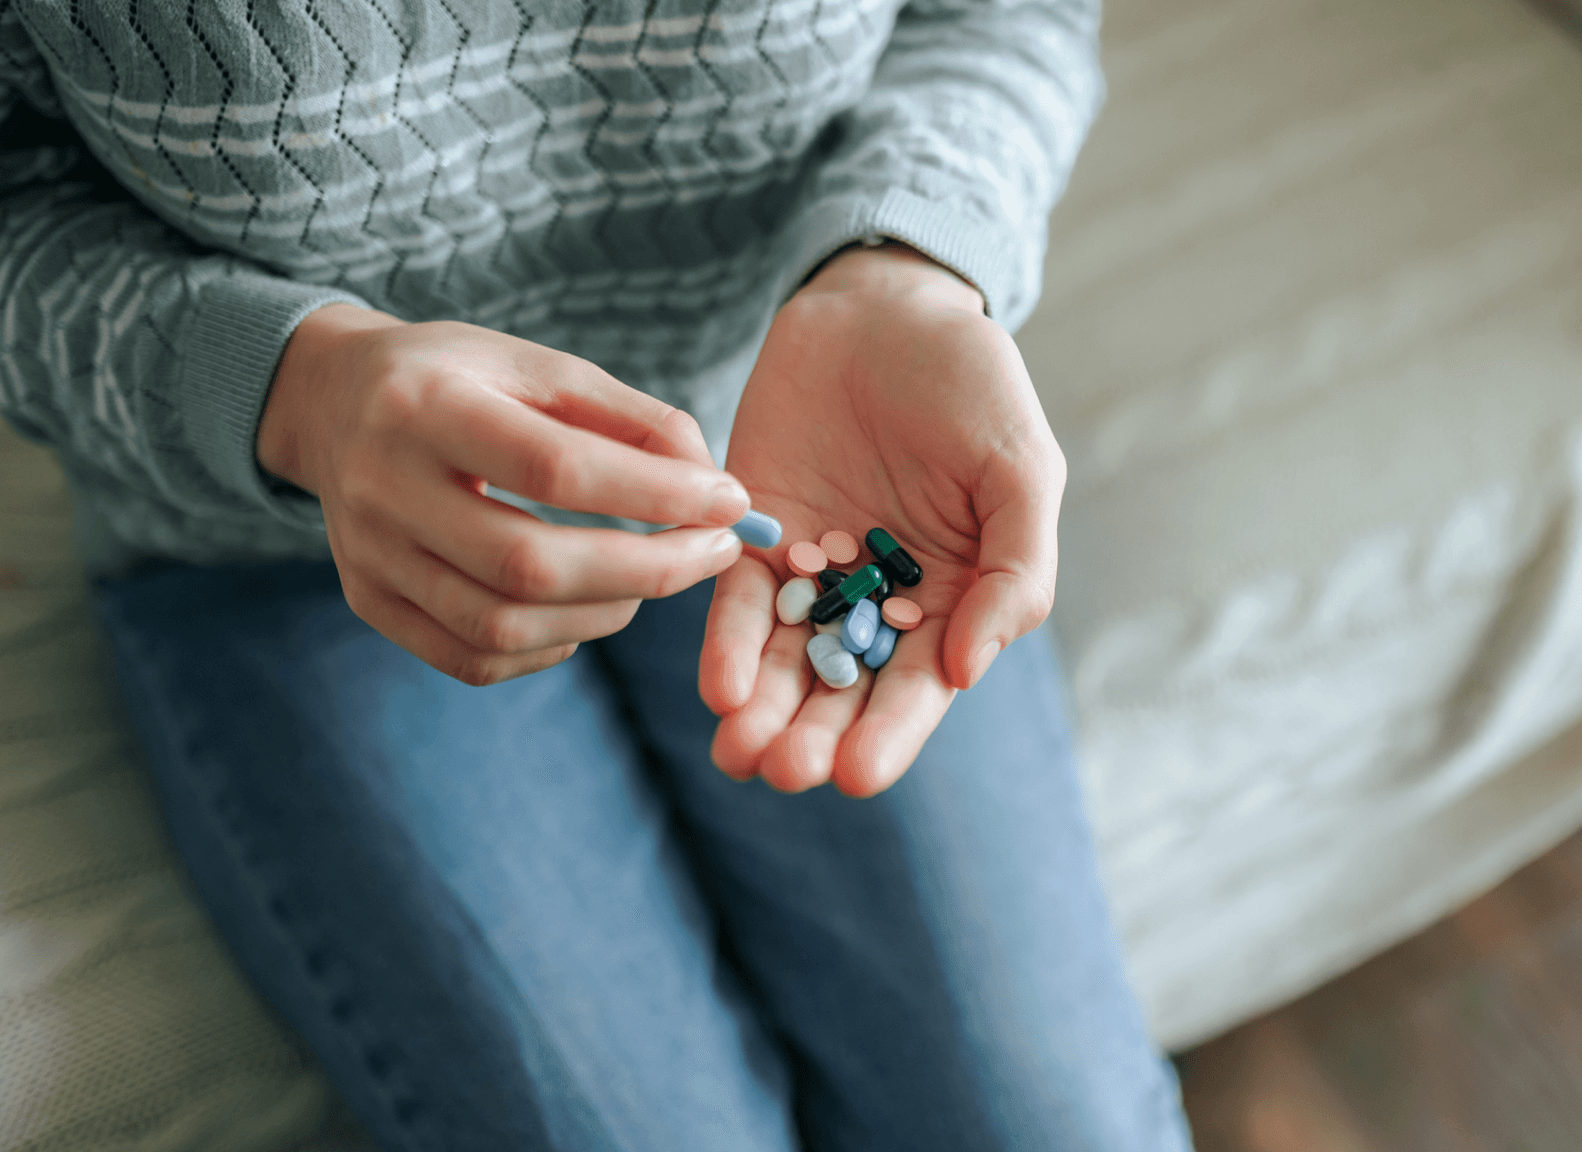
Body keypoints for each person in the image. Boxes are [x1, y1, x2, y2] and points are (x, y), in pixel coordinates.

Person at [0, 0, 1194, 1147]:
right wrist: (292, 393)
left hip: (793, 449)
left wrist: (911, 264)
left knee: (1044, 1128)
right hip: (291, 536)